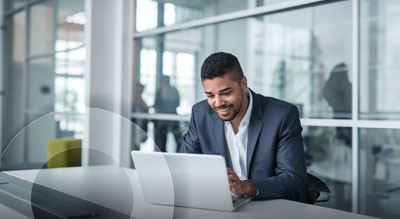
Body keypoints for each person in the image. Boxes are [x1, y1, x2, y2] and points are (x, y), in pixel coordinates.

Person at [178, 52, 308, 202]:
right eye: (210, 96)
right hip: (221, 206)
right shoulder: (200, 114)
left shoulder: (282, 115)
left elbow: (295, 181)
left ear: (243, 84)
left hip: (269, 207)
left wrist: (246, 187)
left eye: (225, 93)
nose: (218, 103)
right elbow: (183, 165)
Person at [153, 75, 182, 152]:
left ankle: (163, 158)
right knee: (178, 140)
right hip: (174, 117)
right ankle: (179, 155)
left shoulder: (160, 91)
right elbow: (178, 104)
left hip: (162, 120)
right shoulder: (175, 90)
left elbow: (156, 104)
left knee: (161, 141)